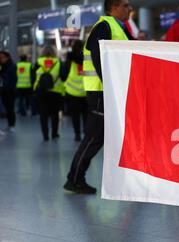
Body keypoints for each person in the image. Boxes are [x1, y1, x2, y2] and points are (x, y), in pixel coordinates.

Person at [64, 0, 134, 194]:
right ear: (114, 8)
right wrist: (111, 83)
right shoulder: (103, 27)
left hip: (112, 91)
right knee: (95, 137)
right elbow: (98, 57)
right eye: (126, 5)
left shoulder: (120, 29)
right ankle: (75, 178)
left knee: (118, 136)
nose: (130, 9)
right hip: (101, 92)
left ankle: (128, 179)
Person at [34, 46, 63, 141]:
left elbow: (33, 75)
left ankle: (45, 135)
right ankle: (54, 133)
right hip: (56, 91)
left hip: (41, 91)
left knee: (43, 114)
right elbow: (62, 76)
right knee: (55, 114)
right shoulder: (58, 62)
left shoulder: (38, 62)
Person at [61, 40, 88, 142]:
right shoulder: (88, 58)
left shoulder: (69, 60)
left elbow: (64, 74)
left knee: (75, 115)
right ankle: (86, 132)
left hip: (72, 91)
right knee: (86, 114)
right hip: (86, 91)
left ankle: (77, 134)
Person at [0, 51, 18, 134]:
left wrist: (9, 88)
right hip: (3, 90)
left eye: (3, 57)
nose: (1, 59)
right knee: (6, 108)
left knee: (10, 108)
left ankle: (12, 125)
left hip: (10, 91)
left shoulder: (12, 66)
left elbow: (13, 79)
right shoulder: (2, 66)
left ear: (7, 57)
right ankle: (10, 124)